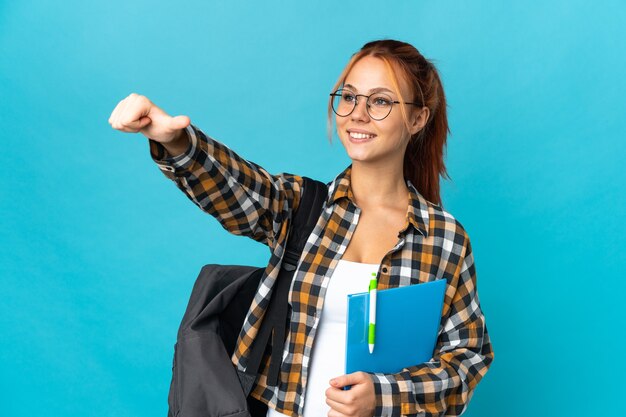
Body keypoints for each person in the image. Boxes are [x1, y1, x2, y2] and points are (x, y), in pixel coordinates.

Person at [108, 39, 494, 417]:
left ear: (417, 118)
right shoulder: (303, 207)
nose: (357, 113)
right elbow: (238, 187)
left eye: (379, 101)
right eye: (348, 97)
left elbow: (467, 358)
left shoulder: (442, 238)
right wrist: (176, 141)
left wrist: (384, 394)